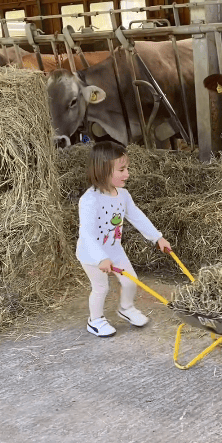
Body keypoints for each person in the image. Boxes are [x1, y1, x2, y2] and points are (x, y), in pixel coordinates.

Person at [76, 141, 171, 337]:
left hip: (114, 249)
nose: (127, 174)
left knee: (131, 281)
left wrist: (157, 238)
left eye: (127, 168)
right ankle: (95, 320)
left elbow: (137, 216)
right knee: (101, 287)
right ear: (102, 170)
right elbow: (86, 233)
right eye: (121, 169)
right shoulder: (89, 200)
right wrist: (100, 258)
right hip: (91, 253)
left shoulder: (123, 195)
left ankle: (126, 308)